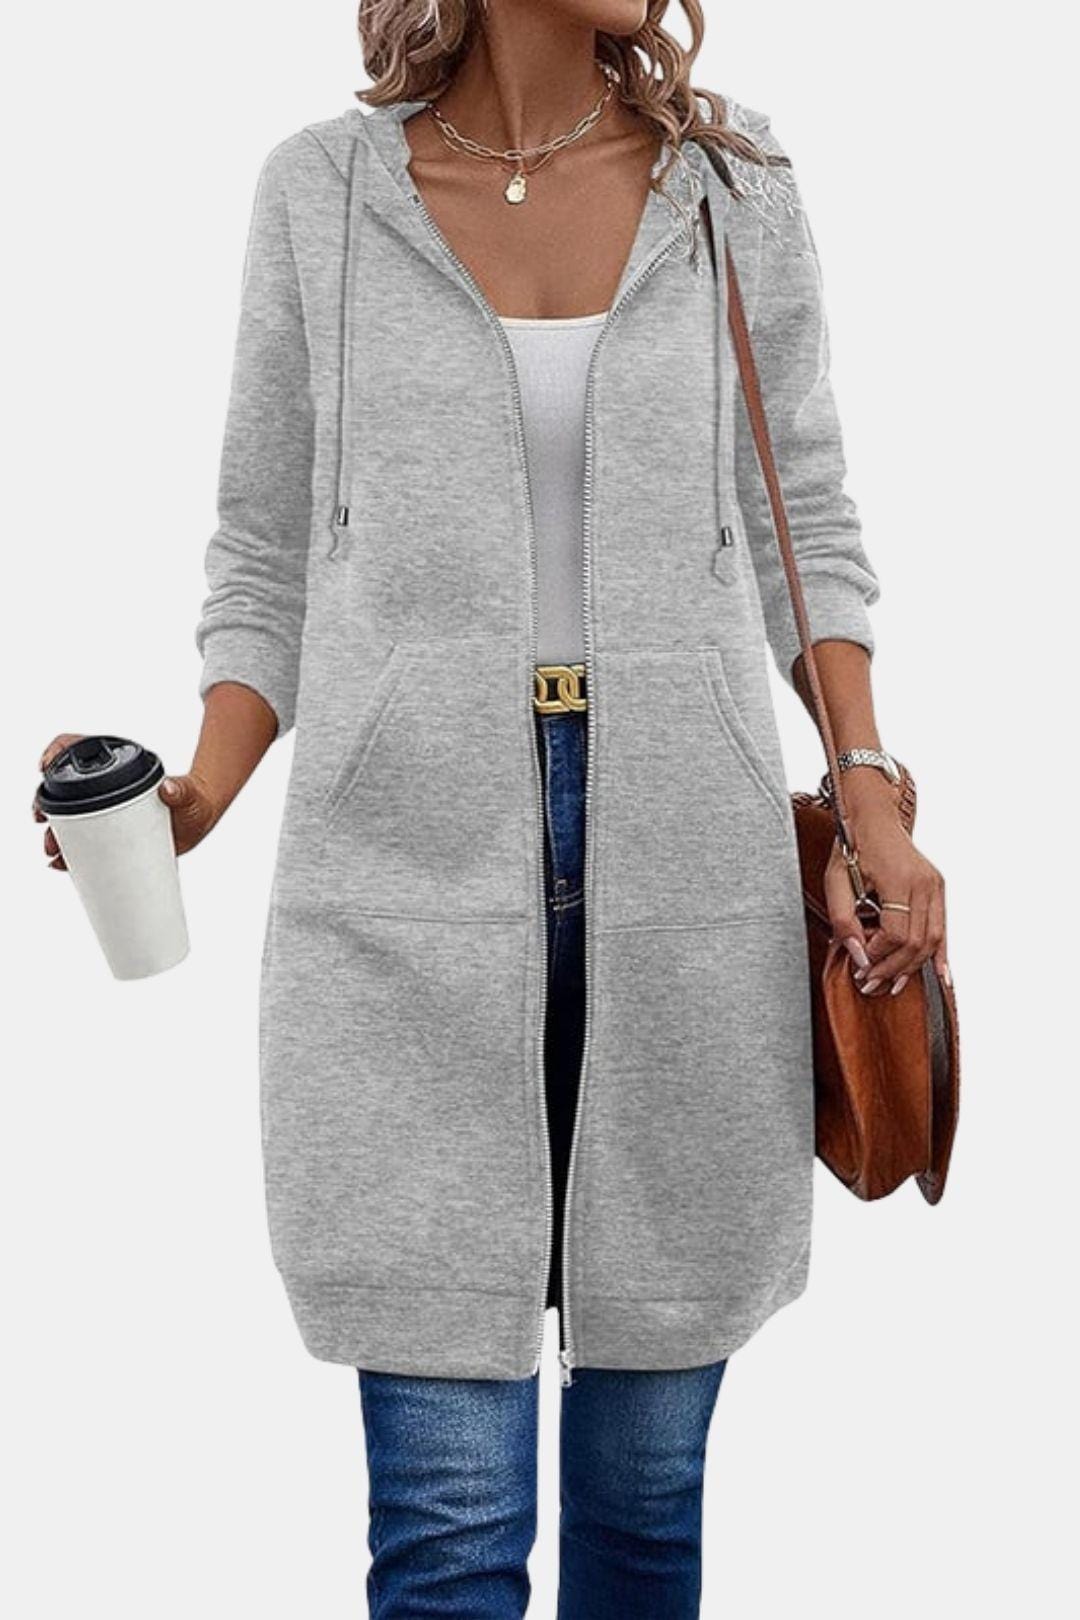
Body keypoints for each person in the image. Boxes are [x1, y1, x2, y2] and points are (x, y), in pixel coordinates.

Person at [36, 2, 949, 1614]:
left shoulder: (733, 185)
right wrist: (196, 793)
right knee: (447, 1532)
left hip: (692, 862)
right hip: (399, 872)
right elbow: (262, 551)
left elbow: (803, 512)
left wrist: (868, 787)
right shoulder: (321, 194)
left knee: (645, 1512)